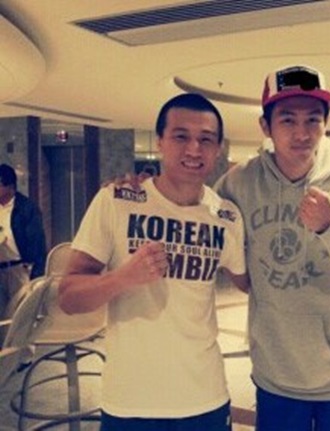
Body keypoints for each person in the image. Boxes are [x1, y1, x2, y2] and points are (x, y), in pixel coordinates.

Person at [215, 65, 330, 430]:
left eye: (313, 119)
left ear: (326, 123)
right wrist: (142, 191)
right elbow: (192, 213)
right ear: (265, 127)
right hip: (276, 377)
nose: (302, 133)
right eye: (287, 120)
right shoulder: (240, 182)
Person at [58, 93, 249, 431]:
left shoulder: (227, 216)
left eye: (206, 139)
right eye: (181, 136)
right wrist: (122, 278)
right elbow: (68, 298)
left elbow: (252, 283)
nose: (194, 149)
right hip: (131, 401)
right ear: (160, 141)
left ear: (218, 148)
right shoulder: (117, 200)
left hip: (205, 397)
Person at [0, 163, 47, 319]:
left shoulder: (26, 208)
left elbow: (37, 242)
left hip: (19, 268)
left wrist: (37, 274)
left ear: (10, 186)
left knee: (19, 314)